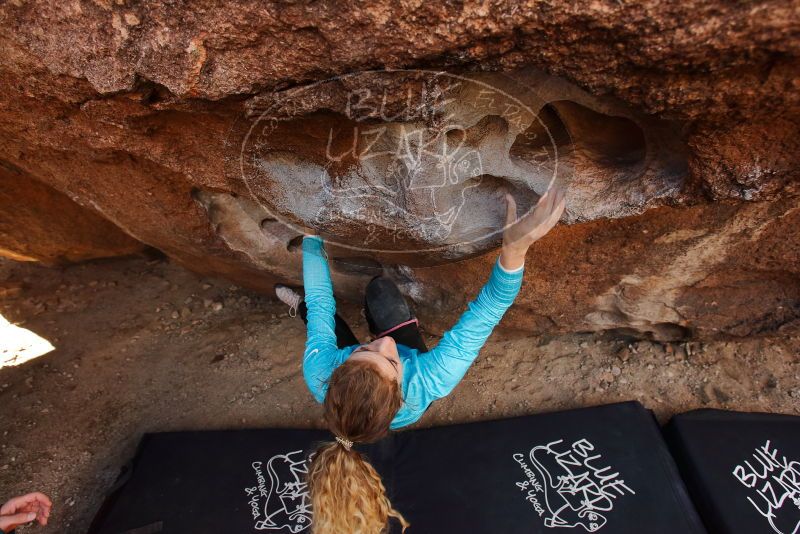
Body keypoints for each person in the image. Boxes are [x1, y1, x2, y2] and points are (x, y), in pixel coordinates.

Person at [275, 190, 566, 534]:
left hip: (360, 368)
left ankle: (314, 313)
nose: (383, 343)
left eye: (365, 350)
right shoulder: (430, 379)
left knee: (328, 317)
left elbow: (323, 300)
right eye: (391, 362)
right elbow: (486, 312)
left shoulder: (319, 368)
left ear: (338, 370)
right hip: (405, 387)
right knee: (383, 299)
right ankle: (347, 318)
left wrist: (312, 234)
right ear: (401, 385)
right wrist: (515, 250)